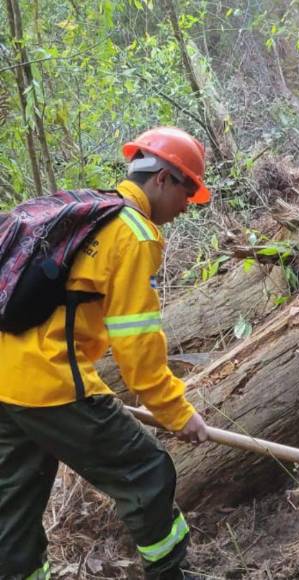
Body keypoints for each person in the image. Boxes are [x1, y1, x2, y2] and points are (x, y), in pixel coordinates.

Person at [0, 126, 211, 580]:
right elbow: (136, 345)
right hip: (51, 383)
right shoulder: (133, 233)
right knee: (146, 471)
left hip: (5, 380)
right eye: (187, 190)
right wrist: (176, 412)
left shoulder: (86, 209)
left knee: (13, 505)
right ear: (163, 180)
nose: (185, 206)